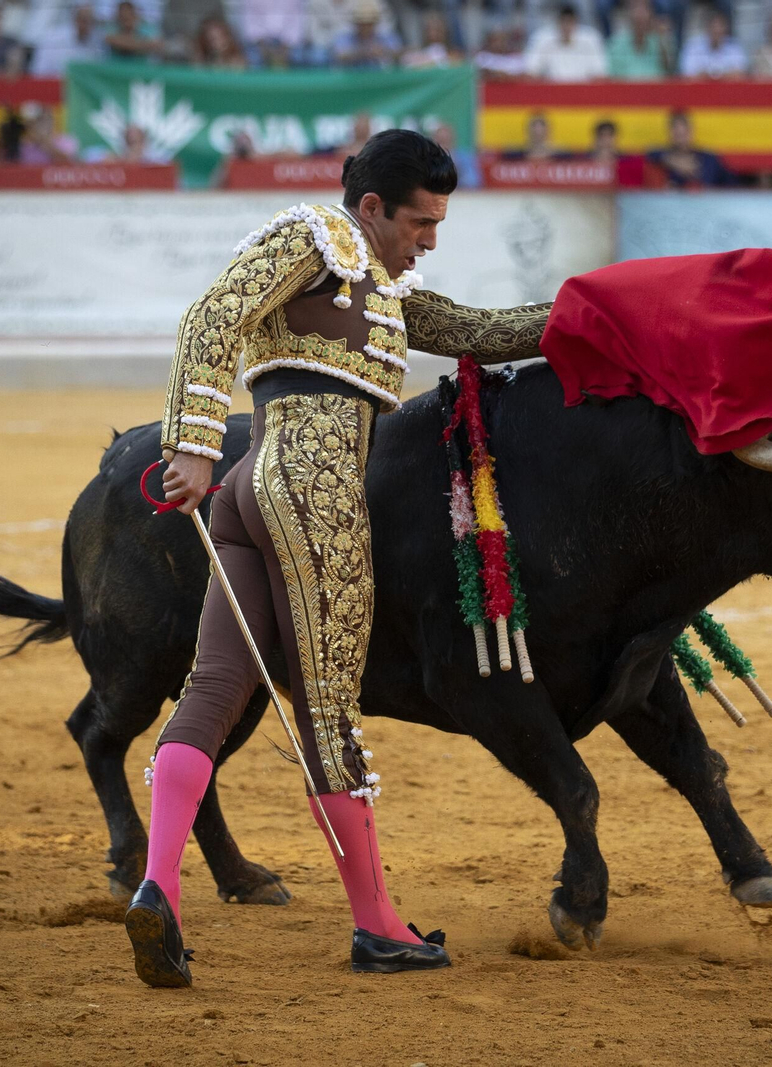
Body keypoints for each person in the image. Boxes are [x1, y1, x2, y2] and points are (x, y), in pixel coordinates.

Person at [134, 129, 554, 984]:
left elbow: (480, 328)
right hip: (311, 486)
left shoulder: (388, 289)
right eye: (421, 222)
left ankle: (159, 889)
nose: (430, 240)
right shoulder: (314, 237)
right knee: (330, 713)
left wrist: (592, 312)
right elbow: (214, 313)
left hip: (257, 488)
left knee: (213, 689)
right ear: (370, 207)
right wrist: (192, 442)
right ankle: (376, 926)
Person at [647, 109, 732, 187]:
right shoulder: (661, 158)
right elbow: (649, 154)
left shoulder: (709, 159)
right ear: (670, 133)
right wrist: (671, 161)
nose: (681, 139)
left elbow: (731, 183)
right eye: (677, 134)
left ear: (691, 132)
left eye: (683, 134)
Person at [524, 3, 606, 81]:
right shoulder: (542, 38)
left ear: (576, 22)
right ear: (557, 22)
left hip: (584, 92)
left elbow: (599, 74)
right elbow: (531, 72)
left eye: (570, 22)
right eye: (563, 21)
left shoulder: (591, 39)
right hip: (551, 91)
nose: (566, 27)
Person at [29, 2, 103, 74]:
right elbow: (39, 73)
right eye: (84, 20)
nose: (88, 26)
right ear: (75, 19)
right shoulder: (52, 39)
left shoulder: (98, 45)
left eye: (92, 22)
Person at [606, 0, 670, 80]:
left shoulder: (660, 41)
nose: (640, 14)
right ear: (628, 13)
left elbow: (669, 72)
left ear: (651, 13)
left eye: (645, 8)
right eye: (635, 8)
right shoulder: (615, 44)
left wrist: (661, 39)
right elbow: (614, 78)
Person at [678, 9, 746, 77]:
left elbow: (741, 73)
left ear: (726, 28)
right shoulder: (692, 46)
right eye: (714, 27)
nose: (717, 30)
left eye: (720, 26)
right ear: (707, 27)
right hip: (700, 87)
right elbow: (687, 74)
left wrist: (712, 76)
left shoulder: (734, 47)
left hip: (727, 87)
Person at [332, 0, 400, 67]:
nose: (365, 27)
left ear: (375, 23)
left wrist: (383, 51)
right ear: (356, 23)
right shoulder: (345, 37)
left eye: (369, 23)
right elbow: (339, 55)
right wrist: (363, 52)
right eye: (362, 23)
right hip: (352, 76)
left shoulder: (386, 37)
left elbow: (399, 53)